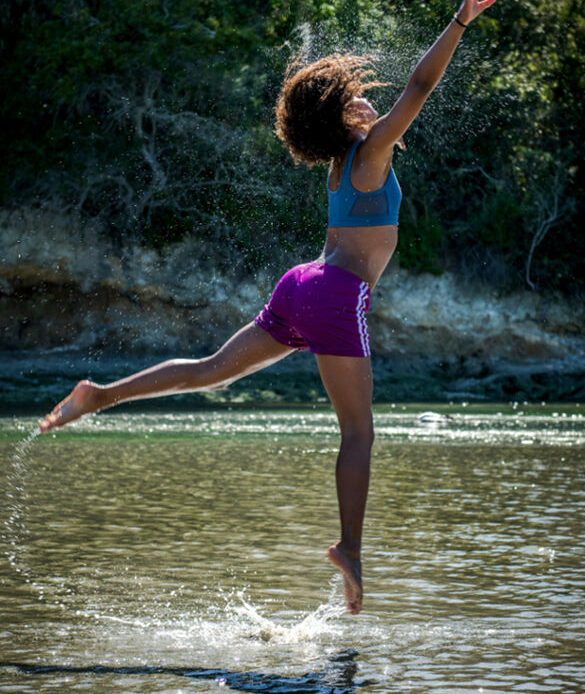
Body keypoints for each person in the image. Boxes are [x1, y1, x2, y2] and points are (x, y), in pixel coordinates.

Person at [39, 0, 498, 615]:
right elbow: (419, 84)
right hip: (337, 296)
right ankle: (351, 549)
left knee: (208, 370)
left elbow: (375, 134)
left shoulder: (341, 165)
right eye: (355, 102)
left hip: (300, 285)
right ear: (343, 115)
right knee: (358, 430)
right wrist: (461, 19)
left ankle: (102, 395)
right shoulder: (367, 156)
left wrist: (361, 126)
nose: (368, 106)